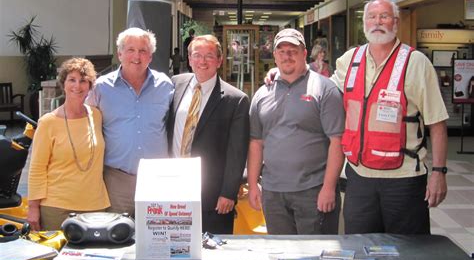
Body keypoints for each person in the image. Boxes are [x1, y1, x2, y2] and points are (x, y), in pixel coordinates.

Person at [331, 0, 449, 234]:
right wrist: (280, 74)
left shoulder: (416, 63)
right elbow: (321, 91)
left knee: (407, 252)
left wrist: (439, 172)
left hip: (403, 178)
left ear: (395, 22)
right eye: (372, 17)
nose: (378, 22)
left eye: (384, 16)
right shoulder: (349, 61)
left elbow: (437, 123)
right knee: (360, 249)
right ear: (364, 23)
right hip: (359, 176)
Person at [248, 28, 345, 235]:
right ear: (274, 55)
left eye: (293, 50)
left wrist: (329, 188)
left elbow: (338, 141)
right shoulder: (262, 93)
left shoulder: (325, 89)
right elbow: (256, 143)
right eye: (281, 51)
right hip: (273, 193)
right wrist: (253, 184)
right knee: (281, 257)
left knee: (318, 257)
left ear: (304, 53)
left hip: (313, 191)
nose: (287, 55)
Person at [87, 27, 174, 216]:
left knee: (156, 238)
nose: (137, 56)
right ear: (120, 54)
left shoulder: (165, 85)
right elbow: (87, 128)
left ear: (150, 56)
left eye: (143, 50)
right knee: (118, 237)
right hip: (117, 180)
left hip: (157, 179)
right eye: (130, 50)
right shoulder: (101, 88)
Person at [168, 34, 250, 234]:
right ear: (189, 59)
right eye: (197, 55)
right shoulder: (174, 85)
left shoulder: (236, 100)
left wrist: (228, 193)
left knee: (214, 252)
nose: (202, 61)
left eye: (209, 56)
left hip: (212, 195)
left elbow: (237, 152)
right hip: (172, 186)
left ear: (220, 60)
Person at [27, 58, 110, 231]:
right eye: (72, 80)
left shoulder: (96, 116)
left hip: (95, 206)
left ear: (90, 85)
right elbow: (37, 168)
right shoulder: (48, 122)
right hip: (57, 208)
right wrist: (33, 207)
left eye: (83, 81)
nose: (77, 86)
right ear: (63, 84)